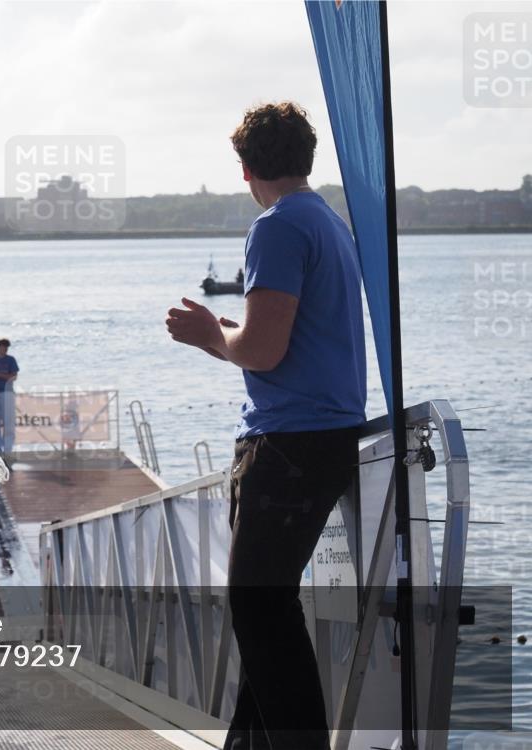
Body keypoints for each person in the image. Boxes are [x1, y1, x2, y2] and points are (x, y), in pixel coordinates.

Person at [166, 101, 366, 750]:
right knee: (267, 612)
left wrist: (208, 333)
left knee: (260, 611)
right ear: (306, 158)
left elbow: (263, 349)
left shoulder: (278, 227)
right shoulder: (329, 223)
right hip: (324, 440)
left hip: (288, 446)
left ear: (246, 167)